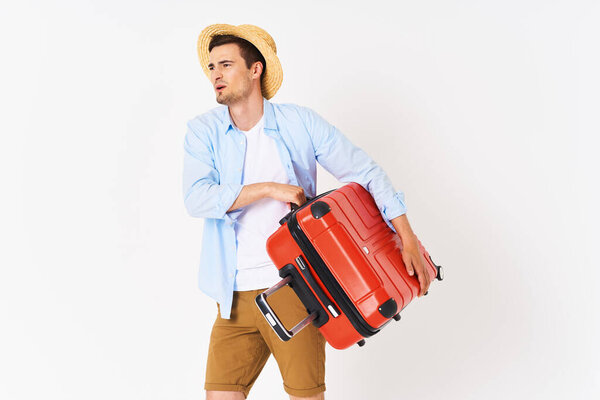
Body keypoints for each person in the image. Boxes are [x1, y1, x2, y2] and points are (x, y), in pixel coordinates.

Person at [182, 24, 431, 400]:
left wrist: (406, 237)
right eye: (212, 66)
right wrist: (269, 188)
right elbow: (196, 199)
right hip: (231, 297)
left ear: (255, 69)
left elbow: (365, 172)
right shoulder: (203, 132)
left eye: (226, 64)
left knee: (305, 396)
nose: (215, 74)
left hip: (295, 289)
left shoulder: (299, 123)